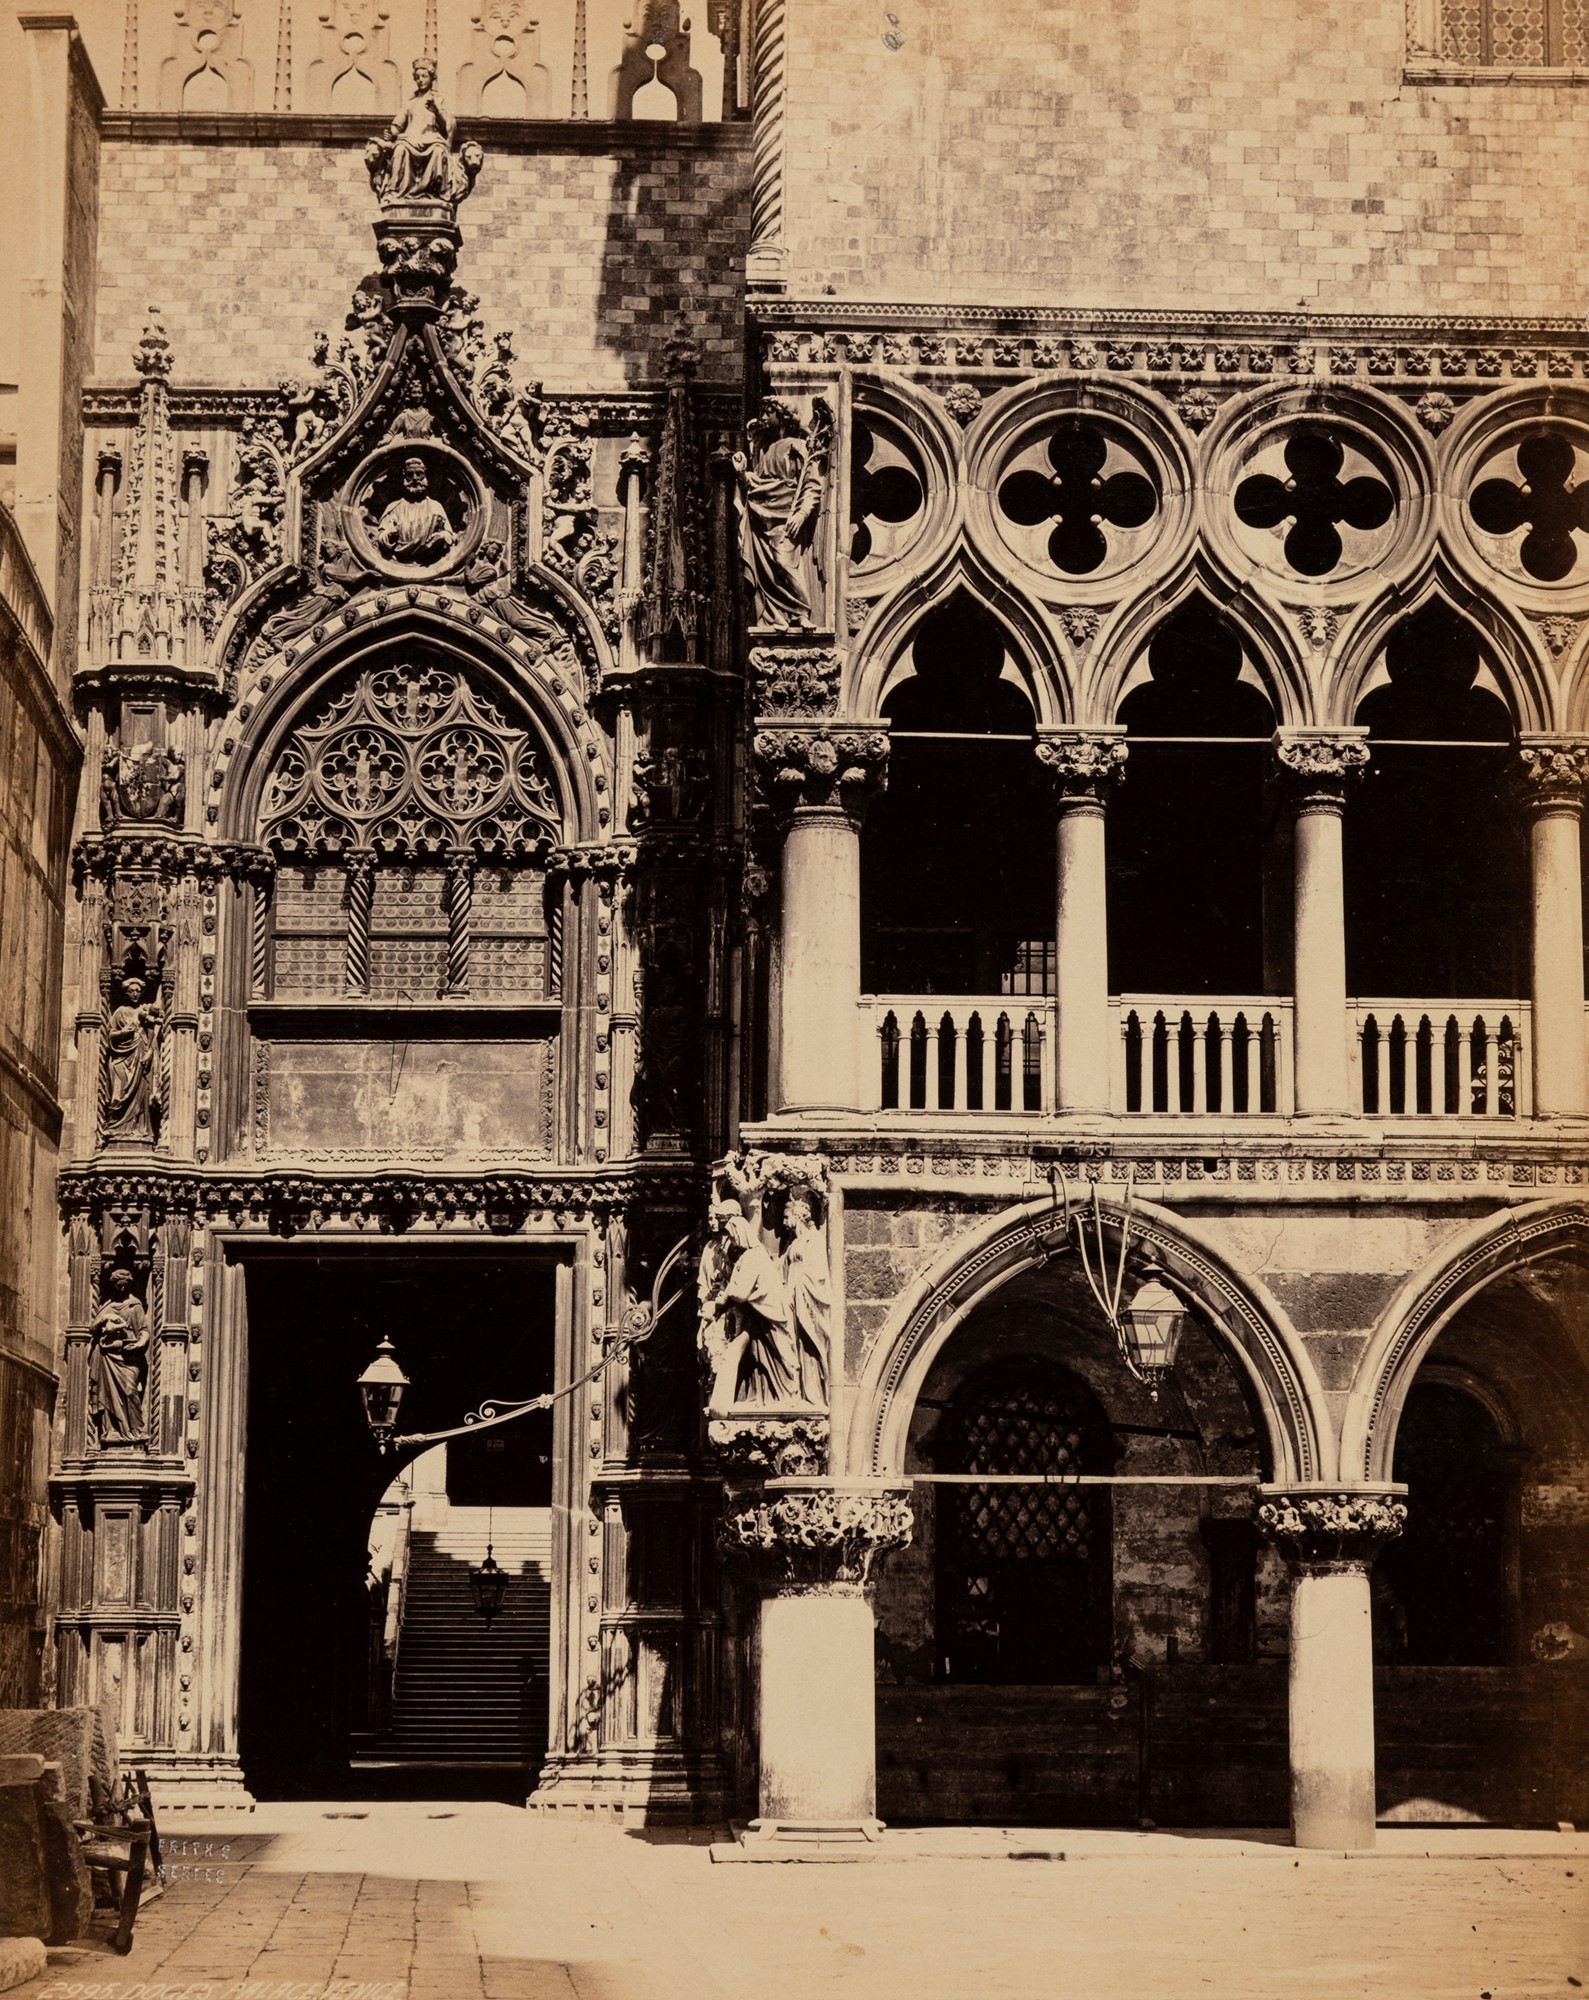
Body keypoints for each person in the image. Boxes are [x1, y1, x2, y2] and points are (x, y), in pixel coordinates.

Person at [780, 1187, 831, 1407]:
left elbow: (818, 1275)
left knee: (808, 1345)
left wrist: (796, 1288)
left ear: (799, 1215)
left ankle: (813, 1396)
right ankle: (796, 1391)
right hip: (792, 1301)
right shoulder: (794, 1244)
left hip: (805, 1302)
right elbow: (780, 1268)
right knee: (793, 1345)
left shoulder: (814, 1240)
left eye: (786, 1217)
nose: (784, 1222)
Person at [88, 1269, 149, 1445]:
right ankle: (111, 1431)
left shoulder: (134, 1306)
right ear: (113, 1285)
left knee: (130, 1390)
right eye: (118, 1286)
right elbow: (92, 1329)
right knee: (107, 1394)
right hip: (108, 1356)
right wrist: (104, 1318)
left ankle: (135, 1430)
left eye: (124, 1286)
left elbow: (144, 1330)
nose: (121, 1289)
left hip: (129, 1356)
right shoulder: (107, 1307)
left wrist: (140, 1343)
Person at [103, 974, 161, 1143]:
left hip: (140, 1057)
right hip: (122, 1057)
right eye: (131, 991)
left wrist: (150, 1053)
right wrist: (123, 1033)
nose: (135, 994)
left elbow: (153, 1035)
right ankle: (114, 1127)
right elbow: (109, 1035)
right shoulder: (120, 1012)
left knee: (141, 1096)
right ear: (126, 993)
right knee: (118, 1094)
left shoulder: (144, 1011)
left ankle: (139, 1129)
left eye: (137, 991)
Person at [371, 457, 455, 564]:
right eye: (410, 475)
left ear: (425, 476)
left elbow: (449, 535)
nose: (414, 478)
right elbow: (381, 537)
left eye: (419, 474)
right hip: (398, 560)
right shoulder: (394, 507)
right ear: (404, 477)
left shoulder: (435, 507)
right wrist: (389, 534)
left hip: (428, 560)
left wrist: (441, 536)